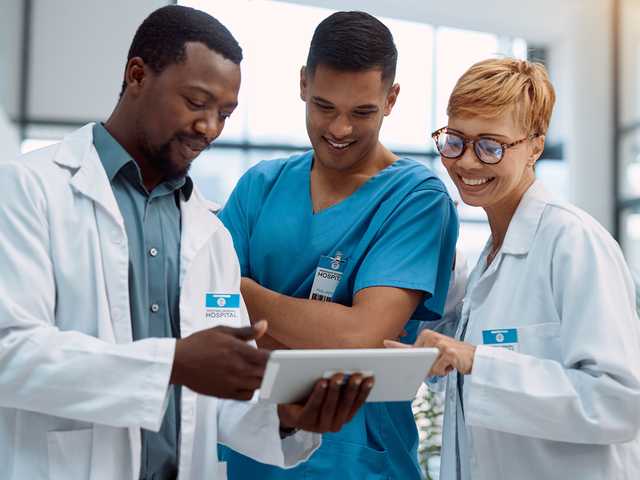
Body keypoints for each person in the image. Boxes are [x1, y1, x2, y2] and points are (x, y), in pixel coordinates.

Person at [0, 6, 374, 480]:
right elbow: (9, 354)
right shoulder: (28, 191)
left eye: (224, 113)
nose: (211, 128)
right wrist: (172, 364)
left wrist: (285, 417)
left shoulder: (210, 234)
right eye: (196, 103)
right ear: (137, 75)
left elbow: (214, 404)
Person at [217, 10, 459, 480]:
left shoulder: (415, 199)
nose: (340, 129)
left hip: (357, 461)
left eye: (362, 112)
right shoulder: (258, 187)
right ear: (304, 83)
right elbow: (210, 322)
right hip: (251, 454)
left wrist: (243, 292)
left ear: (391, 99)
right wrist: (319, 331)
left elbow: (359, 338)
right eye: (325, 106)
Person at [387, 57, 640, 479]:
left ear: (535, 147)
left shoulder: (574, 243)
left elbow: (619, 402)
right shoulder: (488, 262)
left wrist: (477, 362)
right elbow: (463, 385)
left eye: (491, 146)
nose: (466, 162)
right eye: (455, 140)